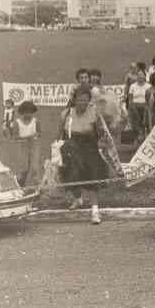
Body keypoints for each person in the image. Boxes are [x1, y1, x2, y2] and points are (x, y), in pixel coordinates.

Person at [59, 87, 108, 224]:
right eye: (80, 100)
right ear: (74, 100)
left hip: (89, 148)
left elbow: (101, 133)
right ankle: (78, 198)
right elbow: (60, 135)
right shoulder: (66, 114)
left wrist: (101, 144)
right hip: (72, 148)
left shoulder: (94, 113)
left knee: (92, 178)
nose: (82, 103)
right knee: (72, 175)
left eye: (85, 100)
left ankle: (95, 211)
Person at [12, 101, 42, 187]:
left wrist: (36, 135)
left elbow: (39, 133)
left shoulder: (36, 121)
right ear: (22, 112)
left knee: (34, 168)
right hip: (22, 146)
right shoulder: (17, 122)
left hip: (34, 145)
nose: (28, 114)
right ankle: (21, 184)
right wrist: (26, 138)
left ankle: (36, 186)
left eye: (30, 112)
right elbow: (15, 137)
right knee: (24, 168)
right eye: (26, 112)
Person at [128, 71, 150, 147]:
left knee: (144, 123)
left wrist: (146, 108)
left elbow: (149, 100)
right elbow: (130, 99)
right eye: (138, 75)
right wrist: (132, 107)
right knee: (135, 124)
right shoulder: (132, 86)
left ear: (145, 76)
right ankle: (136, 140)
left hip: (145, 107)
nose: (140, 76)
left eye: (142, 75)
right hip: (134, 107)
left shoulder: (148, 86)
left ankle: (145, 139)